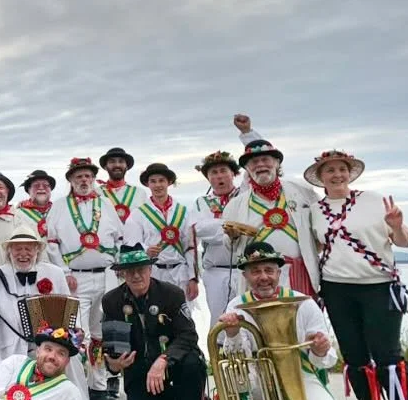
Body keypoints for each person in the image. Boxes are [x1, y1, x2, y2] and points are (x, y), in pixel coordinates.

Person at [306, 150, 408, 400]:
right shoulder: (314, 210)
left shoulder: (373, 201)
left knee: (388, 356)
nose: (337, 175)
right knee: (354, 357)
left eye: (342, 169)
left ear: (350, 173)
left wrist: (396, 225)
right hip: (336, 290)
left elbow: (405, 242)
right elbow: (316, 247)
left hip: (378, 287)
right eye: (330, 171)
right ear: (321, 178)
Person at [217, 242, 344, 400]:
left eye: (269, 270)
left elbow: (327, 359)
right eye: (256, 271)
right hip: (258, 373)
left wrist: (321, 349)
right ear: (245, 276)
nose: (263, 277)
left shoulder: (304, 303)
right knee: (235, 376)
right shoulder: (236, 305)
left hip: (299, 372)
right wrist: (233, 333)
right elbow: (235, 357)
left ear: (279, 273)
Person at [0, 230, 108, 400]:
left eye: (28, 248)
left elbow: (69, 312)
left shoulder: (54, 273)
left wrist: (75, 339)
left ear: (38, 250)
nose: (23, 254)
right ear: (8, 250)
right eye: (17, 248)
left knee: (72, 360)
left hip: (48, 347)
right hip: (13, 351)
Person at [102, 244, 207, 400]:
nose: (136, 275)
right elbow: (113, 348)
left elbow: (188, 335)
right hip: (140, 368)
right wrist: (114, 364)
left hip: (173, 361)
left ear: (150, 269)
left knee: (193, 363)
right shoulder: (111, 301)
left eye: (141, 269)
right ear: (122, 274)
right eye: (129, 271)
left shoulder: (172, 293)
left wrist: (164, 359)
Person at [47, 157, 124, 400]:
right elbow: (51, 243)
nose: (84, 180)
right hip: (76, 279)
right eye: (79, 176)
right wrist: (64, 272)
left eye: (88, 176)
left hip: (106, 276)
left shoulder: (105, 203)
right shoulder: (59, 206)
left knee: (101, 333)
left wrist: (117, 266)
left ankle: (98, 387)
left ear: (93, 178)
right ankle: (76, 389)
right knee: (78, 334)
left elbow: (120, 237)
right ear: (70, 180)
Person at [222, 124, 320, 294]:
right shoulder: (235, 205)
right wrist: (232, 237)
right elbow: (229, 247)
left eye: (266, 160)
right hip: (259, 279)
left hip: (300, 272)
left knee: (303, 311)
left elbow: (320, 228)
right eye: (254, 162)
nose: (260, 165)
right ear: (247, 169)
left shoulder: (303, 192)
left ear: (277, 163)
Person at [124, 163, 199, 301]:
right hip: (153, 273)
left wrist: (193, 278)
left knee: (181, 312)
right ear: (147, 184)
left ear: (169, 182)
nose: (157, 185)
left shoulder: (184, 212)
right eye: (153, 181)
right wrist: (145, 250)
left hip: (180, 274)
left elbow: (190, 247)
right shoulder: (138, 214)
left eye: (161, 180)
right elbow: (130, 244)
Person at [192, 151, 243, 328]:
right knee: (220, 321)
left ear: (233, 174)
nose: (219, 176)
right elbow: (200, 229)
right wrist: (233, 227)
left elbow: (250, 225)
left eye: (223, 171)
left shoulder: (245, 196)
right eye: (213, 172)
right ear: (208, 178)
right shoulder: (202, 202)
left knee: (247, 318)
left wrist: (217, 225)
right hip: (216, 272)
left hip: (245, 269)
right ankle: (218, 347)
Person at [16, 169, 65, 267]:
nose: (41, 188)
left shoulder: (60, 211)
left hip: (61, 268)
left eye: (46, 185)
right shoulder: (18, 215)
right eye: (36, 185)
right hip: (31, 267)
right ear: (29, 190)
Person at [98, 148, 146, 223]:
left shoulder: (140, 193)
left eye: (121, 161)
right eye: (112, 162)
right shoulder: (97, 193)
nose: (117, 165)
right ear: (105, 167)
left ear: (127, 167)